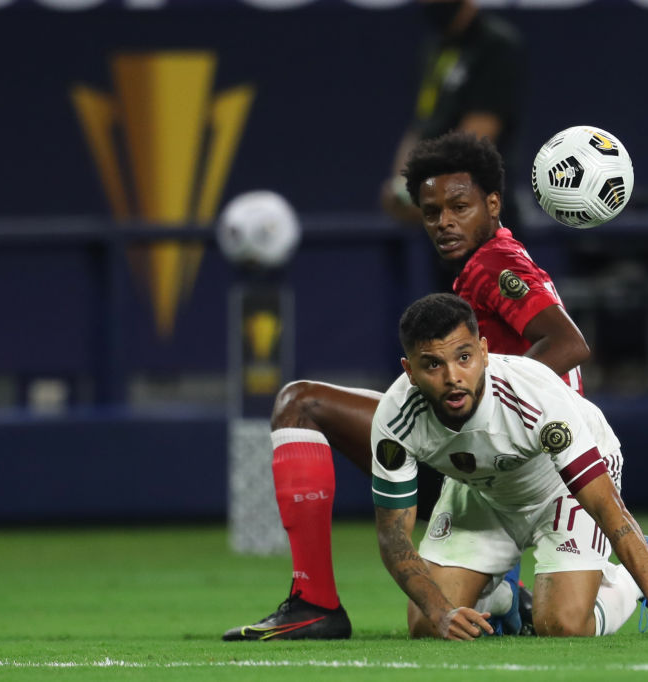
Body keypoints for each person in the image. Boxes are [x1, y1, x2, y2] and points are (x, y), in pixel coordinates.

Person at [222, 132, 587, 642]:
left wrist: (493, 414)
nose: (444, 221)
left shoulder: (493, 265)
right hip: (519, 454)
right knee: (427, 623)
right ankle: (502, 595)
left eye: (459, 206)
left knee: (300, 404)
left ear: (493, 203)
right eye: (431, 210)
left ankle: (315, 603)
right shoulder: (490, 262)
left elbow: (568, 344)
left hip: (523, 455)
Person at [373, 293, 648, 640]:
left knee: (563, 625)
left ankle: (631, 579)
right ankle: (503, 600)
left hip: (559, 487)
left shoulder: (533, 399)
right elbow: (393, 534)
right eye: (433, 364)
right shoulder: (395, 418)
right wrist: (440, 612)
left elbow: (607, 508)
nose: (452, 376)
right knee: (425, 624)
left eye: (464, 357)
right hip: (483, 491)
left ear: (483, 352)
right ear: (409, 370)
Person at [381, 0, 525, 237]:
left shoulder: (496, 46)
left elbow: (476, 136)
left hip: (485, 213)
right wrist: (401, 187)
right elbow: (422, 124)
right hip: (441, 209)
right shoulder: (435, 48)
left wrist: (425, 189)